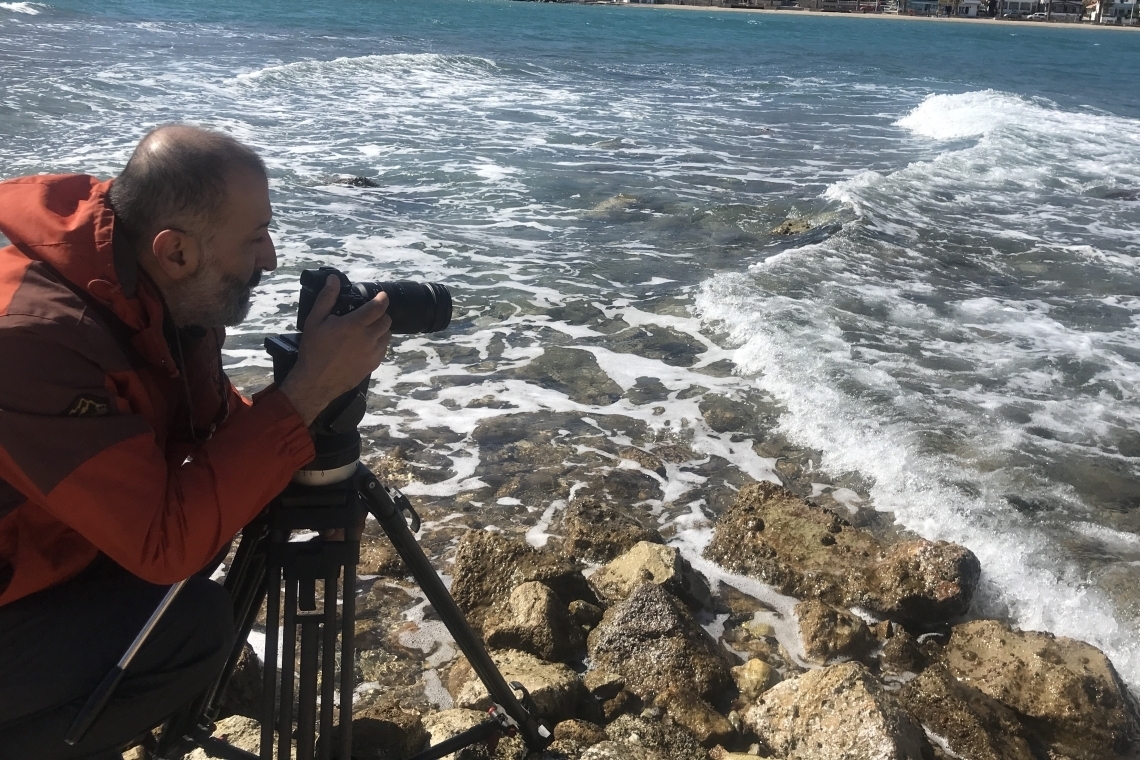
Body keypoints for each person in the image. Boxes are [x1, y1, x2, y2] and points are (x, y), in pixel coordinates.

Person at [0, 125, 393, 760]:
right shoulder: (29, 341)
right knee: (191, 630)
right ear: (175, 250)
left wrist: (300, 436)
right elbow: (164, 543)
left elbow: (207, 426)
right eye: (254, 237)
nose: (270, 257)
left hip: (38, 558)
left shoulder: (150, 293)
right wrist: (306, 392)